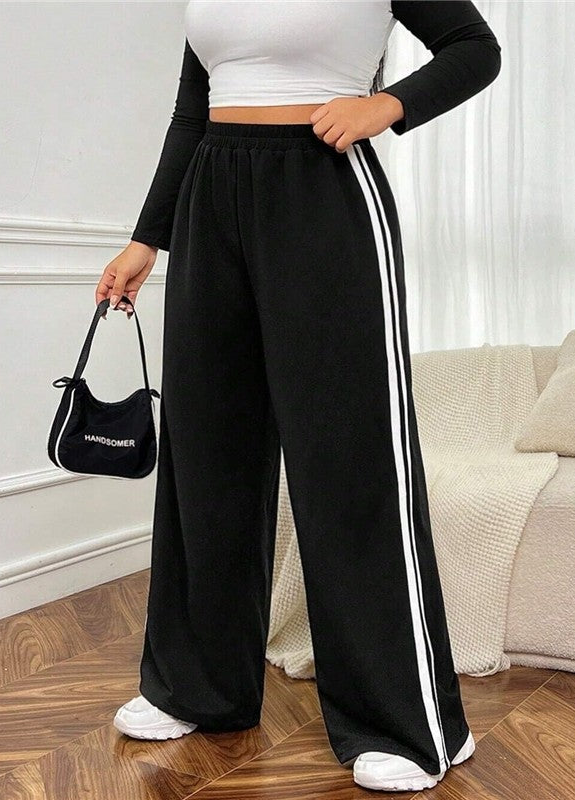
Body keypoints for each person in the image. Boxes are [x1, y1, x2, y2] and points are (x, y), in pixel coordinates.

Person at [99, 1, 501, 792]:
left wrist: (386, 106)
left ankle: (408, 722)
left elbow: (473, 48)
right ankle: (199, 687)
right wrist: (148, 236)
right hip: (211, 194)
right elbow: (192, 108)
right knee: (208, 453)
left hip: (324, 190)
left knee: (348, 462)